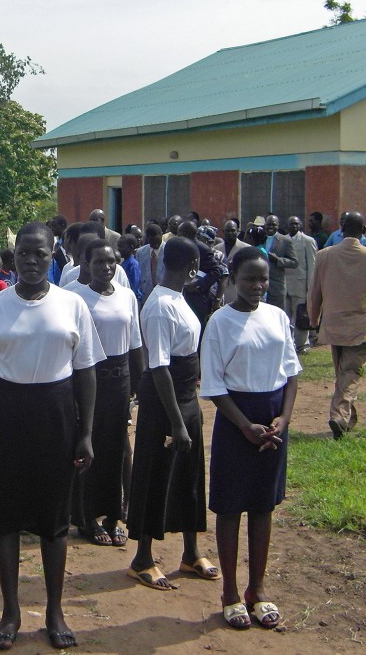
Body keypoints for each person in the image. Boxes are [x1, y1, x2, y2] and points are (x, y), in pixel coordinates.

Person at [0, 222, 102, 651]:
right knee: (4, 519)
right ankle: (10, 611)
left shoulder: (71, 304)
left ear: (52, 254)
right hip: (5, 417)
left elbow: (87, 372)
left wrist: (86, 433)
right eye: (23, 253)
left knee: (53, 520)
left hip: (56, 416)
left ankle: (55, 611)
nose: (30, 261)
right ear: (13, 256)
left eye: (39, 254)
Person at [200, 246, 301, 629]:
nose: (258, 285)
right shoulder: (220, 323)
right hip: (236, 421)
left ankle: (256, 590)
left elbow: (291, 372)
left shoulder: (277, 317)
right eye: (249, 279)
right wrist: (245, 426)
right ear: (233, 280)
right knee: (230, 508)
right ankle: (229, 592)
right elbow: (213, 385)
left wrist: (284, 419)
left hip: (273, 424)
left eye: (263, 279)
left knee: (262, 506)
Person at [126, 236, 218, 590]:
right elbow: (159, 366)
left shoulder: (177, 299)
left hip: (185, 395)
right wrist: (177, 422)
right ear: (192, 268)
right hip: (164, 402)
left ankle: (191, 552)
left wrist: (190, 410)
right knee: (156, 475)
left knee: (188, 475)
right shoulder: (160, 305)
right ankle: (142, 559)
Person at [66, 239, 144, 547]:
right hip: (88, 378)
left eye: (112, 261)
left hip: (120, 379)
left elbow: (135, 342)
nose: (107, 267)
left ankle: (114, 515)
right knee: (88, 445)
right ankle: (87, 518)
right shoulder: (75, 297)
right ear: (85, 264)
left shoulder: (127, 296)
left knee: (116, 447)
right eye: (99, 262)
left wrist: (141, 383)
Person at [308, 212, 366, 439]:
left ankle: (347, 419)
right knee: (351, 373)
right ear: (364, 231)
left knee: (343, 373)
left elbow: (314, 293)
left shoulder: (324, 255)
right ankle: (339, 416)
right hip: (361, 325)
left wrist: (314, 319)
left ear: (341, 230)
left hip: (334, 324)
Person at [285, 215, 318, 354]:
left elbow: (312, 265)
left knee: (301, 316)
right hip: (285, 285)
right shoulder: (282, 240)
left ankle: (302, 345)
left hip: (300, 284)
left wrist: (310, 287)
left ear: (300, 226)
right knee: (285, 316)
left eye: (296, 224)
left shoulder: (307, 241)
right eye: (291, 224)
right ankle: (287, 344)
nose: (294, 226)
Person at [262, 214, 298, 310]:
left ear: (278, 226)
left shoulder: (285, 240)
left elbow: (294, 262)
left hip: (276, 286)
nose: (270, 227)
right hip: (260, 285)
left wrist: (278, 260)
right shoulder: (260, 238)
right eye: (268, 224)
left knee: (276, 316)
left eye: (273, 225)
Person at [220, 219, 251, 305]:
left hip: (237, 288)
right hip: (221, 290)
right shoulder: (216, 248)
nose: (230, 233)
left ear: (237, 231)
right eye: (227, 231)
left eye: (233, 230)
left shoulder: (246, 249)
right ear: (223, 231)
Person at [135, 223, 166, 305]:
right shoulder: (140, 252)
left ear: (161, 234)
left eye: (156, 240)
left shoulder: (169, 250)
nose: (153, 244)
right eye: (150, 240)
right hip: (146, 297)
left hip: (164, 296)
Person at [117, 234, 143, 303]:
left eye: (121, 246)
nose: (118, 249)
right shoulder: (124, 263)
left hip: (131, 300)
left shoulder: (133, 265)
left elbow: (134, 286)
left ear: (131, 247)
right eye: (118, 246)